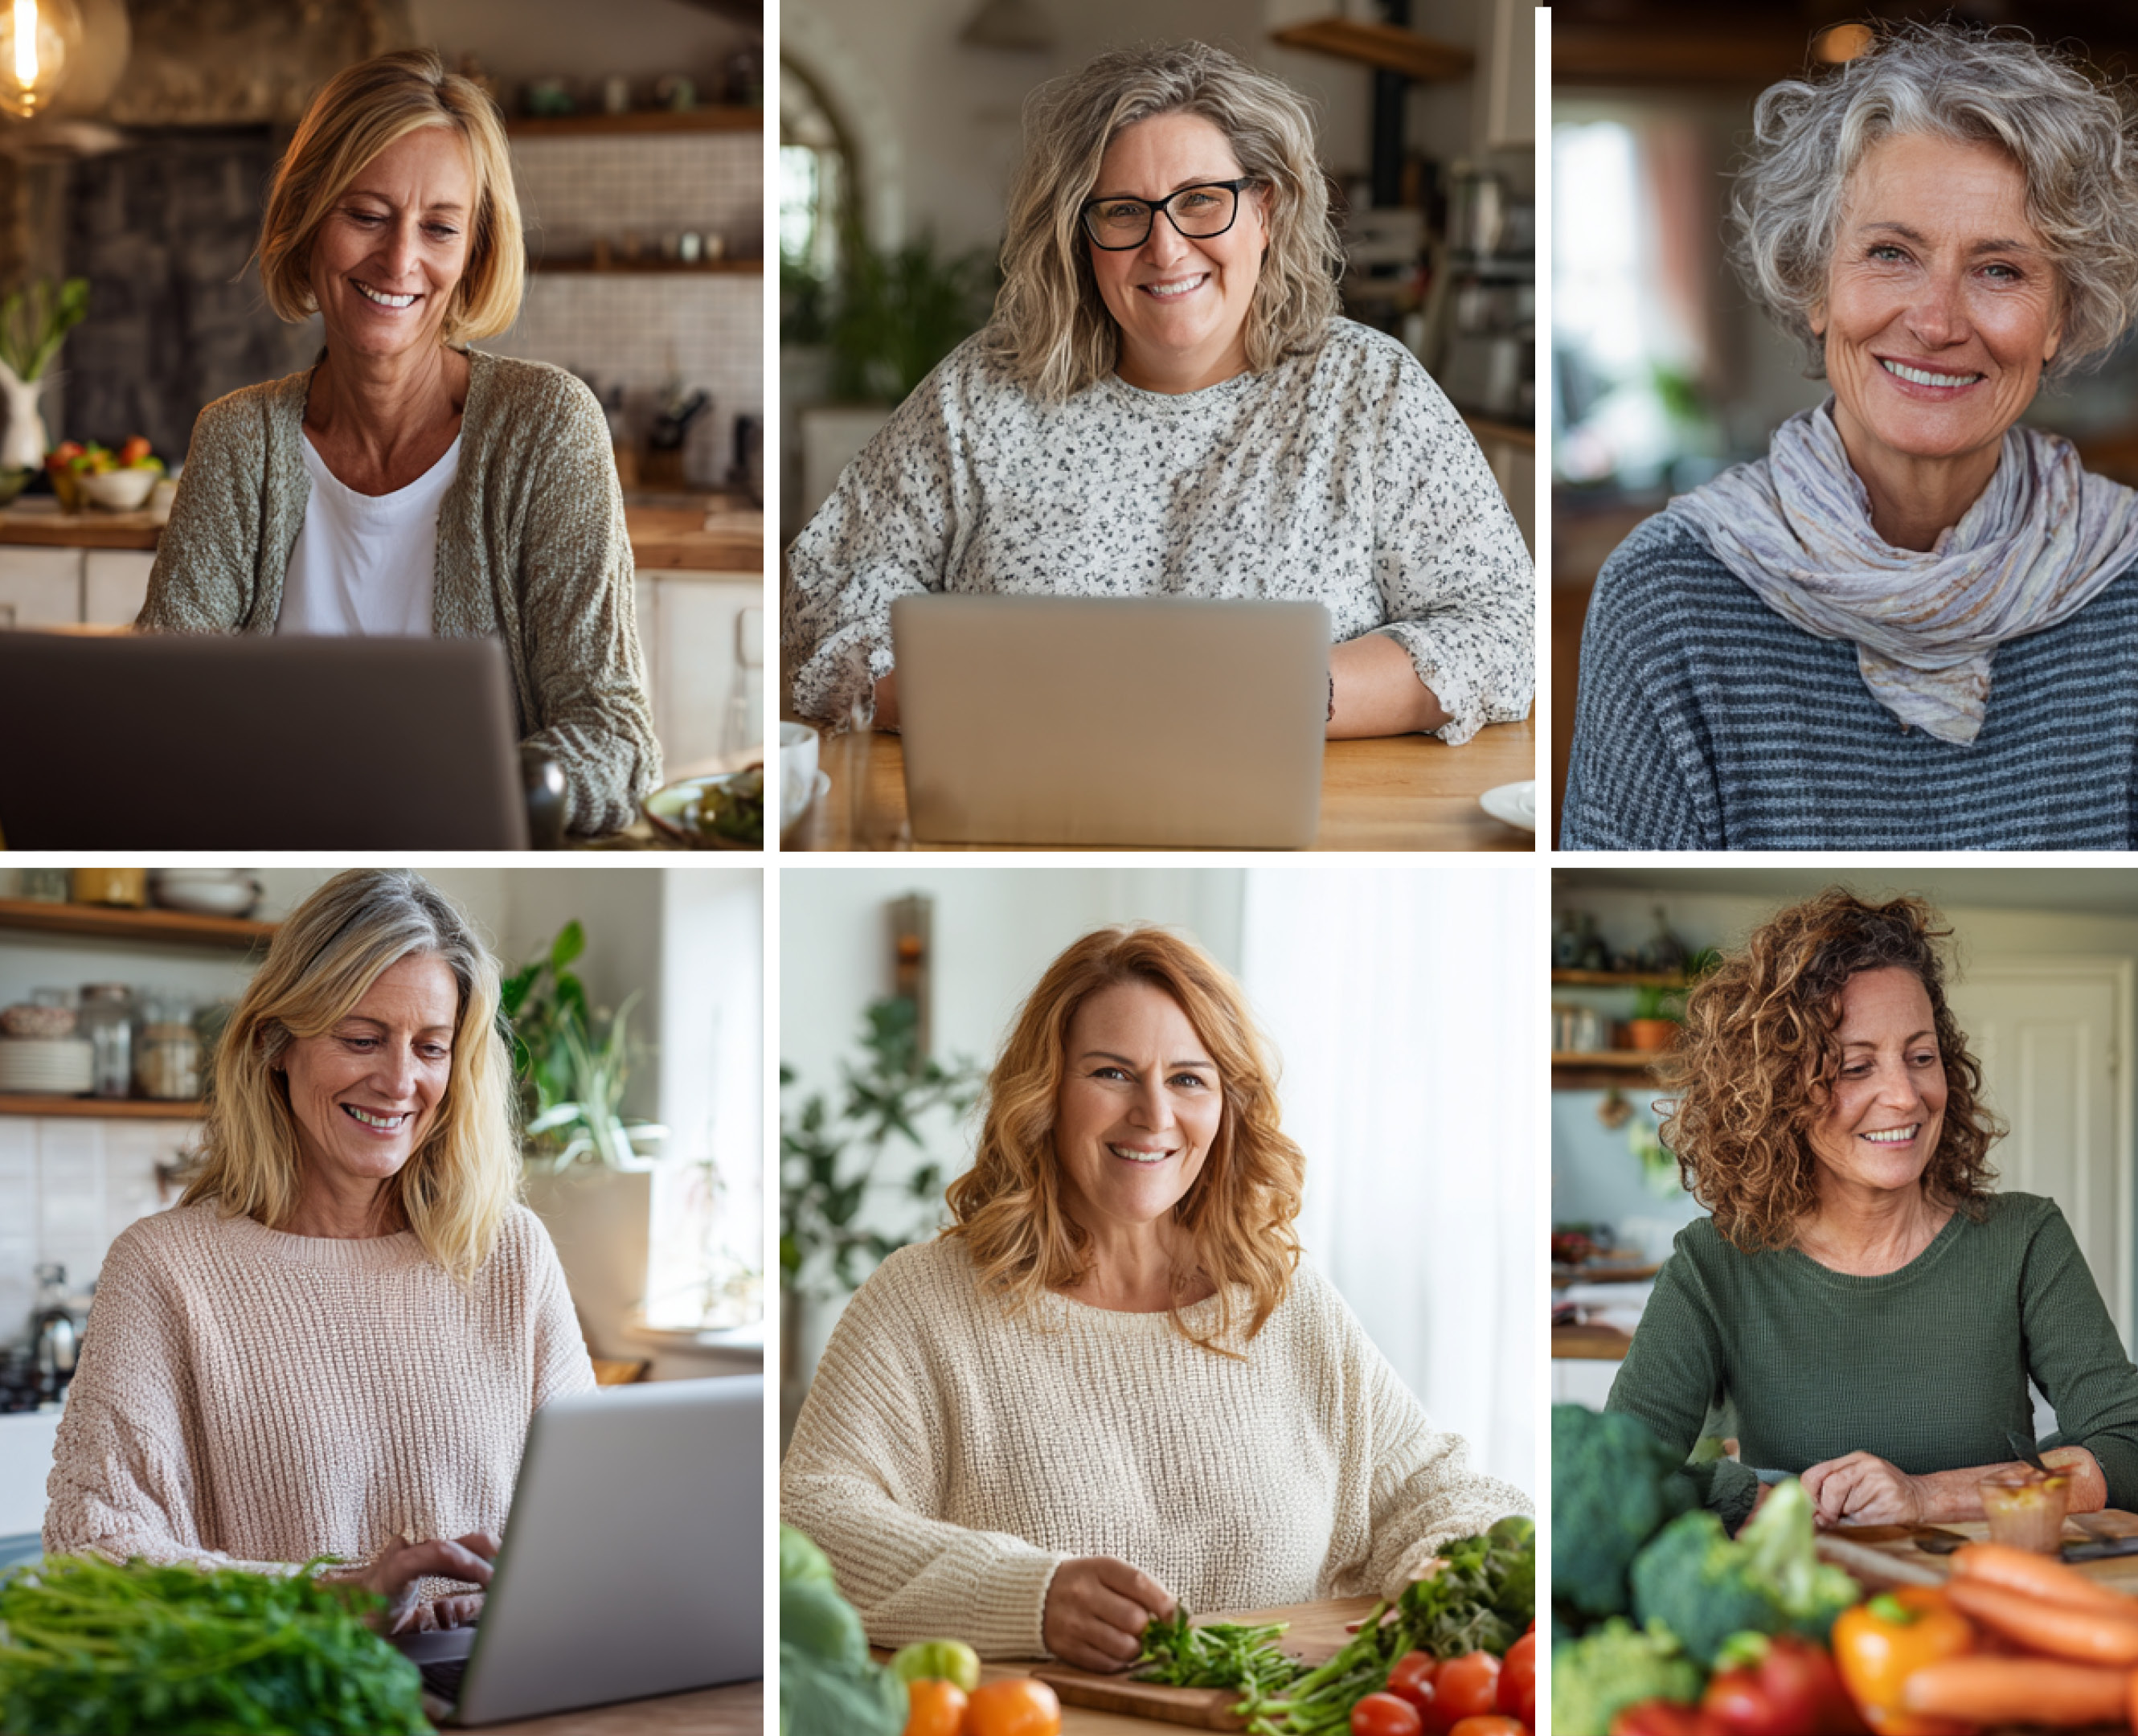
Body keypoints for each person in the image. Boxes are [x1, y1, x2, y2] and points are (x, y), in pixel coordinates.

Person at [1560, 23, 2138, 850]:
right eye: (1891, 253)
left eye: (2000, 270)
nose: (1937, 321)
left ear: (2062, 316)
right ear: (1815, 286)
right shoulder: (1667, 596)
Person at [781, 926, 1527, 1668]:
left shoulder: (1285, 1303)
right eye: (1111, 1073)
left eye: (1188, 1079)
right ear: (1047, 1094)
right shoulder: (923, 1302)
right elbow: (809, 1522)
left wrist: (1447, 1572)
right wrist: (1028, 1598)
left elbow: (1444, 1494)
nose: (1153, 1114)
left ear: (1225, 1109)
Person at [784, 42, 1530, 746]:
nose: (1165, 247)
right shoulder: (980, 391)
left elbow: (1504, 628)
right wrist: (1009, 702)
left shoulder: (1372, 390)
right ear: (1081, 236)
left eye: (1202, 199)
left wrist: (1271, 698)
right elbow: (823, 598)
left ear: (1264, 211)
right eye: (1123, 210)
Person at [43, 870, 592, 1633]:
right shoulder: (166, 1269)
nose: (400, 1081)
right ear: (276, 1042)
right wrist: (346, 1596)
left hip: (503, 1692)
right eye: (362, 1039)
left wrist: (510, 1590)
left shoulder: (508, 1254)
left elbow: (590, 1519)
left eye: (430, 1048)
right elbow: (92, 1553)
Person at [136, 49, 659, 837]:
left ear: (474, 252)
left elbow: (617, 736)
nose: (400, 260)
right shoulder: (239, 439)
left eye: (440, 228)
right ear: (309, 220)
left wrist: (484, 790)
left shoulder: (548, 426)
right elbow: (159, 706)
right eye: (367, 215)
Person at [1603, 891, 2138, 1529]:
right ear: (1775, 1092)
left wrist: (1929, 1496)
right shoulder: (1714, 1263)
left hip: (1985, 1604)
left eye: (1921, 1057)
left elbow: (2136, 1457)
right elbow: (1614, 1470)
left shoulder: (2025, 1238)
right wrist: (1758, 1497)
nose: (1904, 1096)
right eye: (1855, 1066)